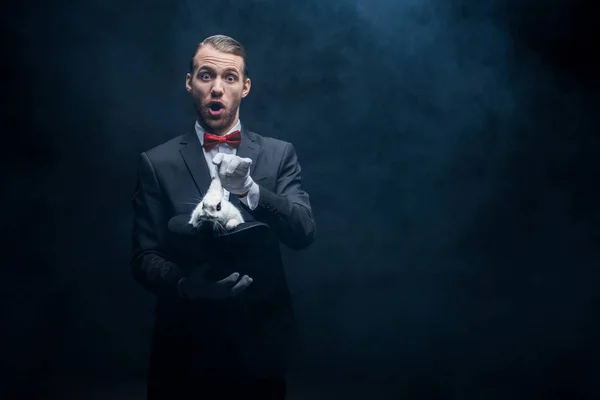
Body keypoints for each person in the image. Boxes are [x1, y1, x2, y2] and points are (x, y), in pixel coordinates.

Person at [130, 34, 316, 399]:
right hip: (184, 346)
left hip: (260, 346)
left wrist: (250, 188)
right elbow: (143, 256)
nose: (217, 87)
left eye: (229, 77)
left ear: (245, 87)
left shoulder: (279, 155)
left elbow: (302, 231)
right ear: (189, 83)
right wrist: (185, 285)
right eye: (206, 75)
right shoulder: (156, 162)